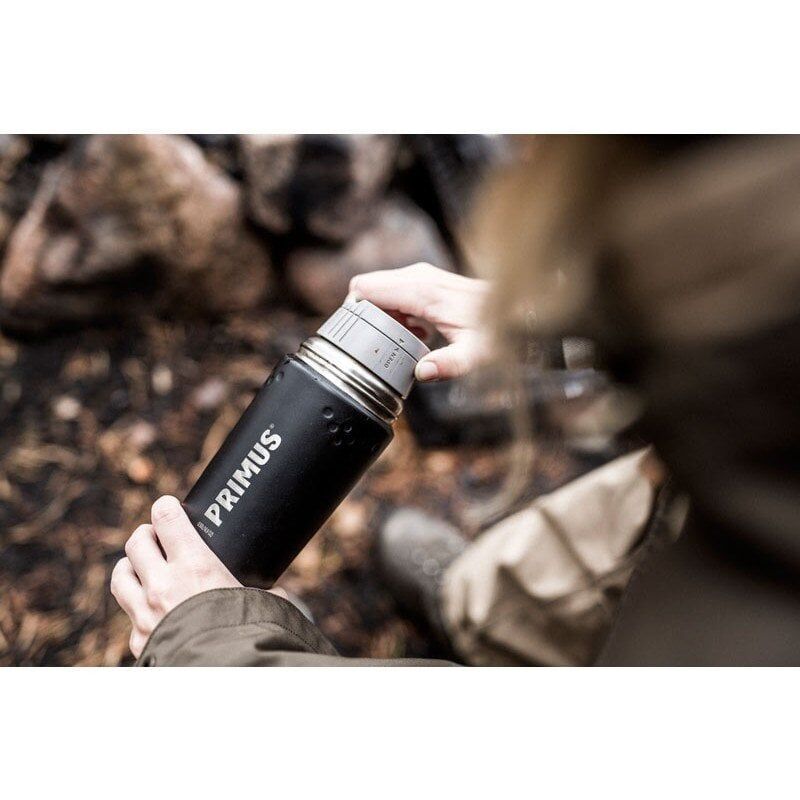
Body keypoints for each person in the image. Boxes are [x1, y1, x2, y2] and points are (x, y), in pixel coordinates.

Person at [112, 135, 800, 665]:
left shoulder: (739, 649)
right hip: (696, 492)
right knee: (604, 533)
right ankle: (482, 615)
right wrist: (565, 329)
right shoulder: (758, 396)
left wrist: (215, 644)